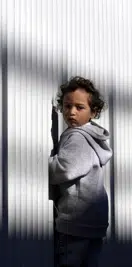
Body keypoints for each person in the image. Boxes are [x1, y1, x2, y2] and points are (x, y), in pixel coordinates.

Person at [49, 76, 113, 267]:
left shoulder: (78, 137)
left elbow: (66, 168)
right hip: (94, 222)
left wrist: (42, 165)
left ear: (94, 112)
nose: (71, 112)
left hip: (75, 224)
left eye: (79, 107)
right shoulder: (93, 137)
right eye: (67, 106)